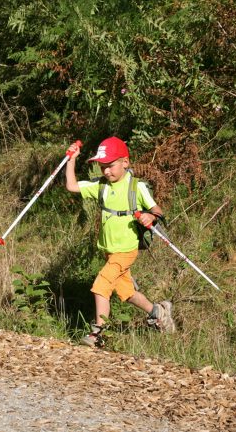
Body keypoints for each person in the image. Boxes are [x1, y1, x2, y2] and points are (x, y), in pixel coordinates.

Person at [65, 136, 175, 347]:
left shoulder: (136, 187)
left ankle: (98, 334)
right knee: (127, 293)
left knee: (101, 284)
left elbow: (157, 210)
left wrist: (150, 216)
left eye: (111, 166)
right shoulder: (101, 185)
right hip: (109, 250)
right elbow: (71, 186)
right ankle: (158, 311)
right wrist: (72, 159)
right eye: (102, 167)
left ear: (125, 162)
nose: (106, 171)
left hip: (126, 249)